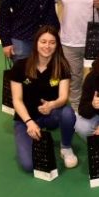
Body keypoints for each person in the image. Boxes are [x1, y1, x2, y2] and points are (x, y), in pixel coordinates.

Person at [9, 26, 77, 171]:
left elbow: (63, 97)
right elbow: (17, 100)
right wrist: (29, 122)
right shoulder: (20, 66)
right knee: (29, 165)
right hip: (26, 119)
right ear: (36, 43)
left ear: (57, 45)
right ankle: (32, 132)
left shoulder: (62, 66)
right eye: (43, 42)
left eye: (52, 42)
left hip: (50, 114)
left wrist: (52, 105)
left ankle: (66, 147)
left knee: (68, 113)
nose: (47, 46)